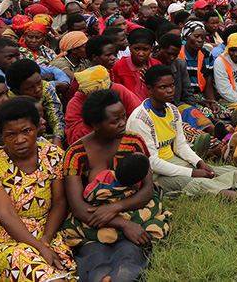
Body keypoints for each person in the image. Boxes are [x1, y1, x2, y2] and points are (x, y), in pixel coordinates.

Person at [126, 65, 237, 204]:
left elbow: (180, 145)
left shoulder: (172, 109)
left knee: (221, 170)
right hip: (154, 174)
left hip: (174, 161)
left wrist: (200, 163)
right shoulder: (141, 118)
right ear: (149, 89)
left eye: (172, 85)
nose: (170, 90)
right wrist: (192, 173)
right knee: (200, 183)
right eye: (163, 87)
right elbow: (153, 163)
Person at [62, 89, 170, 282]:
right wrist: (120, 223)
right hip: (91, 215)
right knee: (95, 253)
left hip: (132, 206)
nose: (123, 123)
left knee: (130, 250)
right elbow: (78, 207)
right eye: (115, 121)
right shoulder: (76, 153)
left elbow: (147, 189)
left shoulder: (133, 142)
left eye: (124, 117)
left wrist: (116, 209)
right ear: (96, 125)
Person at [0, 97, 77, 281]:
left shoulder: (53, 155)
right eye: (10, 134)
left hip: (44, 232)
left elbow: (59, 203)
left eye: (26, 131)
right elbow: (6, 215)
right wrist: (39, 248)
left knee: (61, 265)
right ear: (0, 134)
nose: (20, 140)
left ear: (38, 127)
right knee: (23, 259)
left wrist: (45, 240)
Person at [4, 59, 66, 149]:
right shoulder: (11, 102)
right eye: (30, 88)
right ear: (17, 90)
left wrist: (58, 138)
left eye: (39, 83)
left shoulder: (45, 87)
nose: (38, 89)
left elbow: (56, 116)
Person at [111, 28, 161, 100]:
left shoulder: (157, 65)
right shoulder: (119, 66)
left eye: (145, 49)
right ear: (130, 47)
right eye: (136, 49)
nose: (141, 54)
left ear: (151, 49)